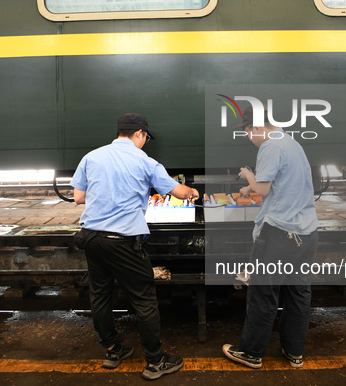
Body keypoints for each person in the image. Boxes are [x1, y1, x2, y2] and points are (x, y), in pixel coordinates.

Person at [71, 112, 199, 380]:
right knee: (144, 300)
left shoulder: (91, 156)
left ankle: (113, 349)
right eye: (145, 138)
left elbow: (78, 197)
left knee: (100, 296)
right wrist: (193, 193)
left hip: (92, 238)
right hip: (123, 242)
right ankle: (155, 360)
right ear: (139, 134)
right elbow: (178, 192)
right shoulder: (144, 161)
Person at [222, 106, 319, 369]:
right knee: (299, 293)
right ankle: (294, 352)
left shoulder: (269, 146)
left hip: (279, 233)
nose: (248, 138)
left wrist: (247, 175)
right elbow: (281, 183)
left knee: (263, 293)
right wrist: (249, 186)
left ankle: (251, 352)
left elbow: (263, 189)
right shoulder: (291, 143)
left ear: (256, 127)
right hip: (306, 232)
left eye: (246, 132)